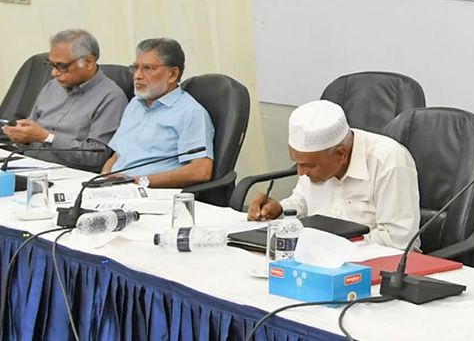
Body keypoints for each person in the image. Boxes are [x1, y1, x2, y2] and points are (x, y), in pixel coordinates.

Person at [248, 100, 421, 250]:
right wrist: (280, 210)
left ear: (341, 154)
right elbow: (302, 201)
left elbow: (397, 240)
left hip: (376, 262)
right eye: (297, 162)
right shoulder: (316, 160)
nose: (300, 172)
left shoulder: (389, 161)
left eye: (308, 165)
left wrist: (329, 246)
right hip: (318, 256)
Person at [2, 29, 127, 171]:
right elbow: (32, 131)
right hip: (28, 165)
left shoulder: (111, 97)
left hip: (69, 174)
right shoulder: (52, 86)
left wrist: (47, 138)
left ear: (89, 62)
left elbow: (96, 157)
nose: (54, 72)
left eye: (62, 66)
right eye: (51, 65)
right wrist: (20, 135)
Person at [100, 38, 215, 187]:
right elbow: (117, 155)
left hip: (151, 192)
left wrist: (140, 182)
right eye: (135, 68)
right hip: (115, 189)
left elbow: (201, 171)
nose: (137, 76)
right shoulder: (135, 104)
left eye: (148, 68)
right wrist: (104, 177)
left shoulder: (190, 112)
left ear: (172, 74)